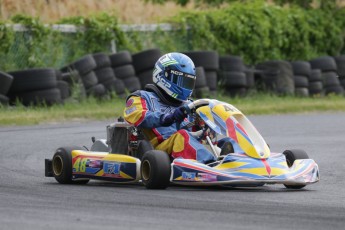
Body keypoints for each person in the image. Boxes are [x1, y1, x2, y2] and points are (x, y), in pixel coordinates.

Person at [123, 52, 216, 164]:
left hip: (188, 147)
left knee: (225, 140)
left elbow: (197, 132)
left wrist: (205, 125)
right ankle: (210, 165)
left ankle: (234, 161)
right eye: (181, 81)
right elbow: (136, 116)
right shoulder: (142, 97)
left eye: (188, 82)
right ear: (164, 76)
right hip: (158, 153)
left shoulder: (190, 105)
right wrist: (167, 117)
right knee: (182, 136)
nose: (184, 86)